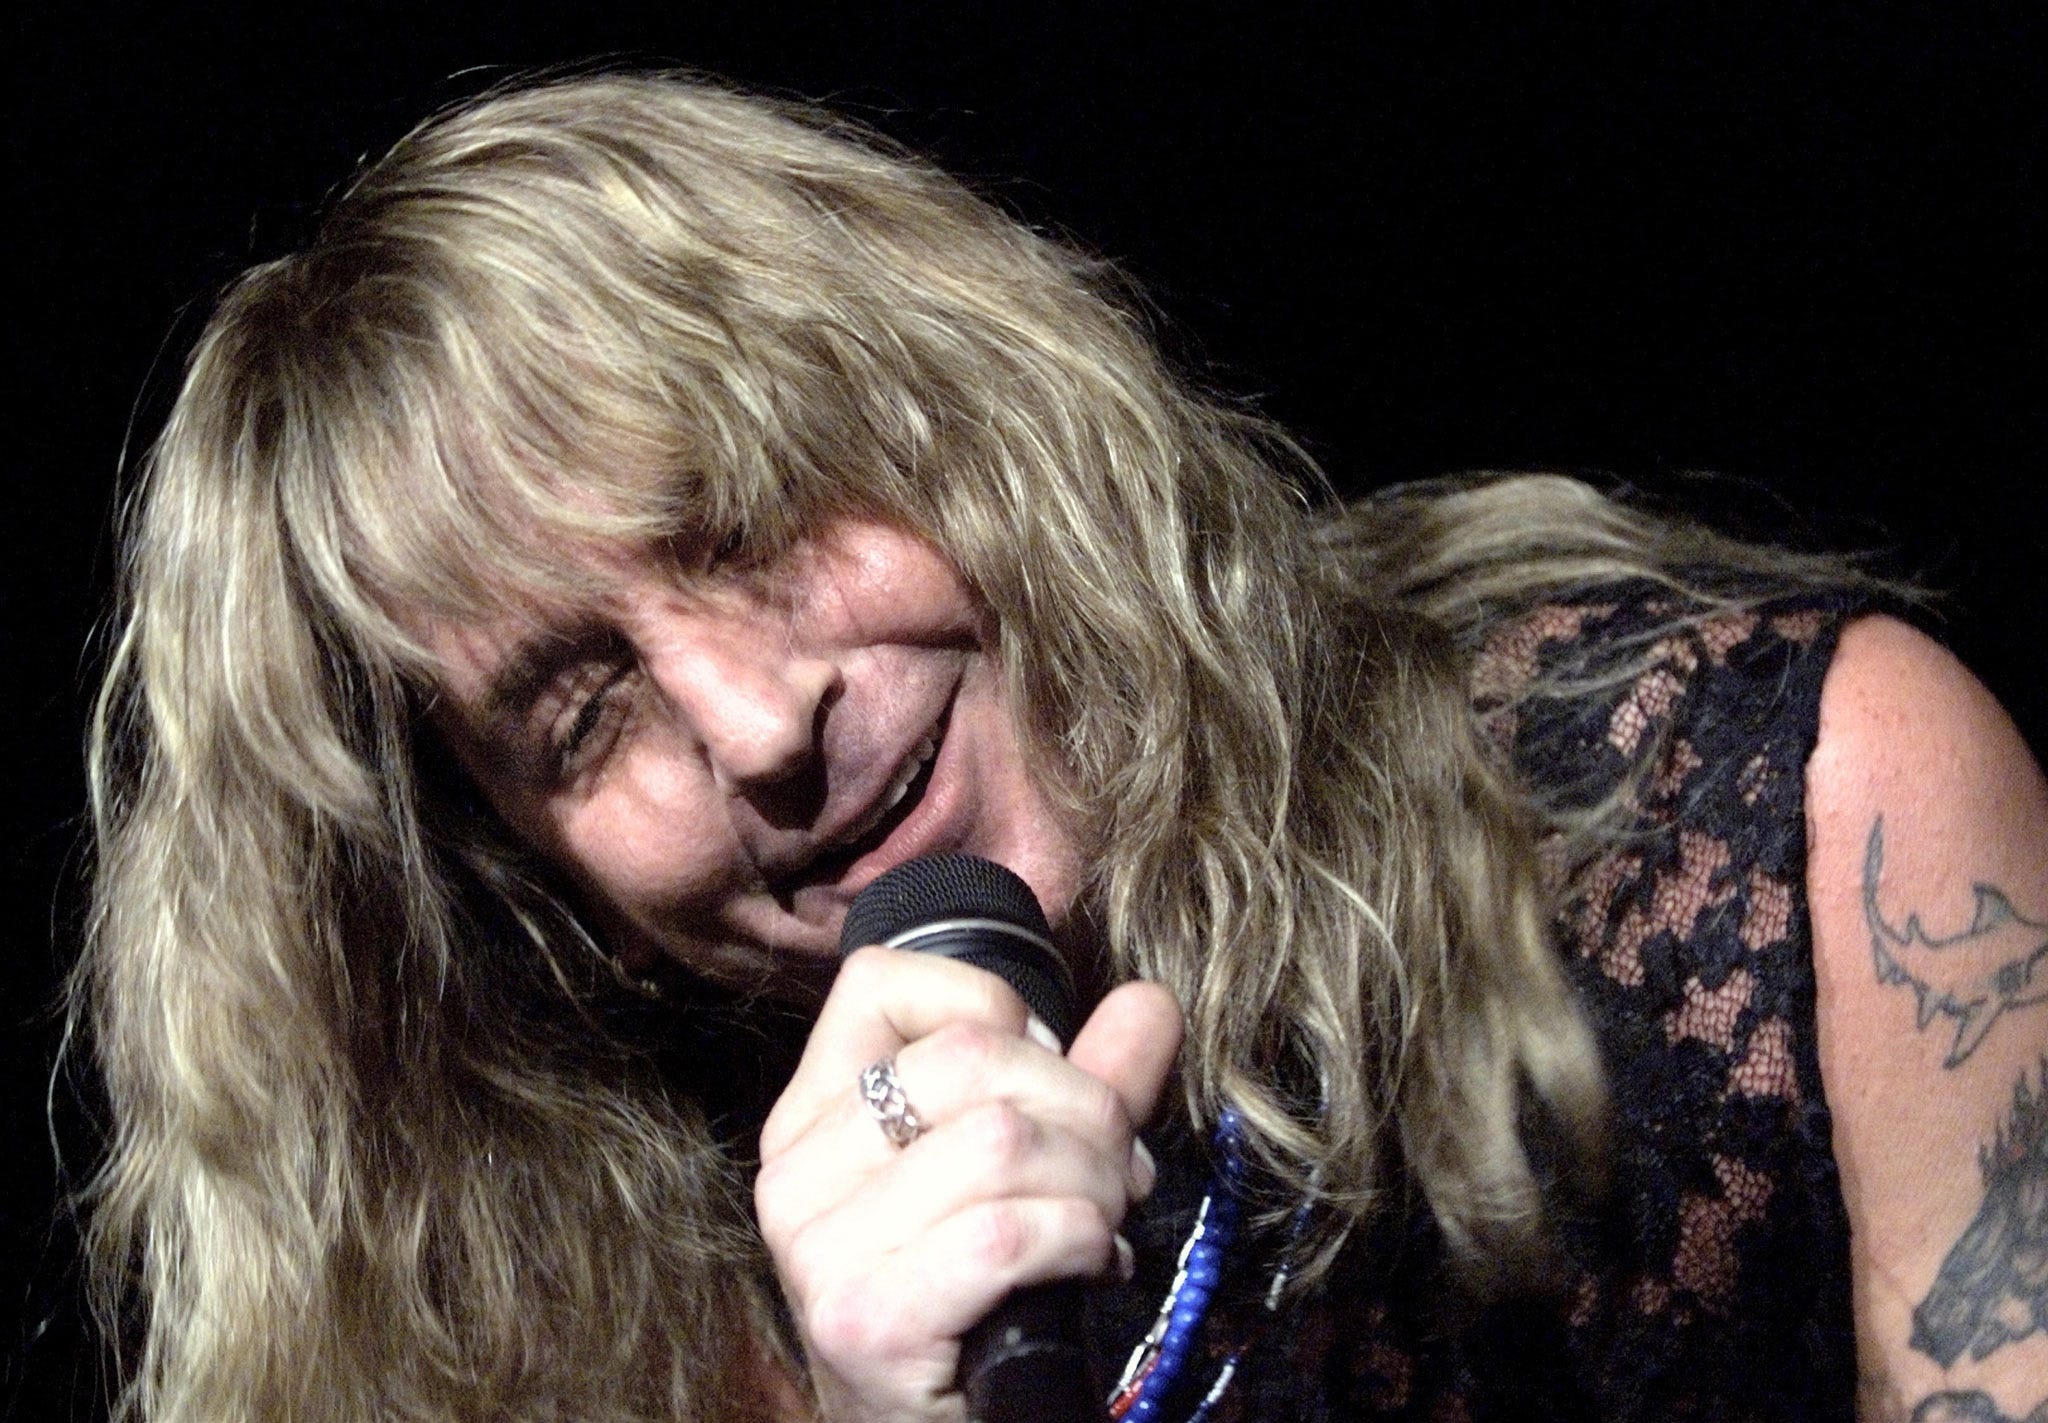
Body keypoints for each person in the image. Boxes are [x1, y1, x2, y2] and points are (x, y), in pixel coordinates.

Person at [76, 71, 2048, 1423]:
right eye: (583, 717)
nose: (760, 726)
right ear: (529, 892)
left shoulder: (1801, 816)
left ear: (966, 410)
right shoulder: (586, 1324)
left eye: (753, 517)